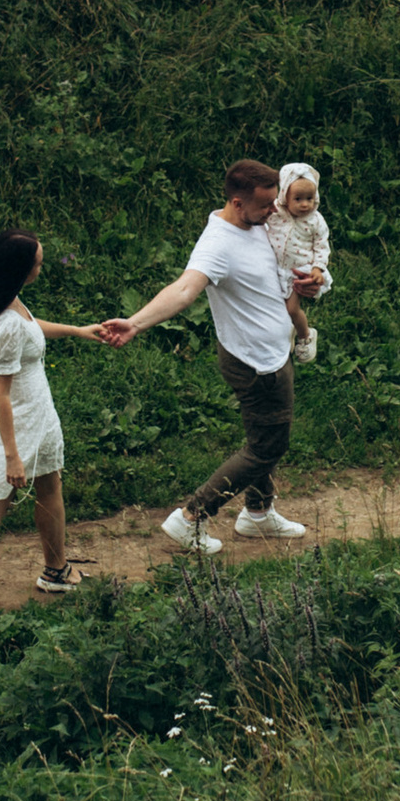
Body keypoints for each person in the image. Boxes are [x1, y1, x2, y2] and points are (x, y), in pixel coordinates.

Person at [102, 159, 307, 556]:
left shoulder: (258, 223)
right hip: (254, 362)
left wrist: (309, 283)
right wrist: (136, 323)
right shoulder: (218, 244)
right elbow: (183, 291)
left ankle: (259, 514)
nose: (273, 212)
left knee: (260, 437)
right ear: (236, 202)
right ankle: (192, 516)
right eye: (266, 206)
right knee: (266, 448)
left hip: (272, 352)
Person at [0, 225, 107, 610]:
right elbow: (2, 393)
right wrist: (12, 455)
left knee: (49, 485)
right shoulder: (7, 324)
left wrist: (77, 331)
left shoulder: (3, 300)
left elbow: (32, 330)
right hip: (18, 421)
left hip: (36, 417)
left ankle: (56, 569)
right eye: (39, 263)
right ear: (19, 269)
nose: (42, 268)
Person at [267, 159, 334, 364]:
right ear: (285, 196)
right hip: (275, 267)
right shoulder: (276, 213)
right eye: (298, 198)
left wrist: (317, 268)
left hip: (299, 271)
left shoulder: (316, 220)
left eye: (310, 198)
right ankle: (283, 335)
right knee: (275, 307)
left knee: (291, 309)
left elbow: (321, 246)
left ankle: (306, 335)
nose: (305, 204)